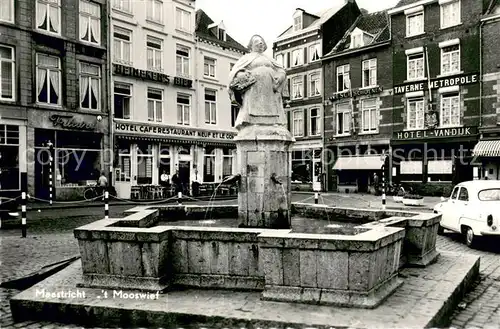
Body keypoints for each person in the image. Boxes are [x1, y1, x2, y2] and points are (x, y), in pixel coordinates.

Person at [228, 34, 288, 130]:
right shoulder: (245, 58)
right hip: (254, 89)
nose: (260, 43)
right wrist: (240, 74)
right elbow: (235, 71)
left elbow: (281, 70)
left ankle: (274, 122)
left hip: (271, 88)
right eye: (257, 41)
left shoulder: (270, 59)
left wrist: (281, 76)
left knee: (273, 108)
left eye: (261, 41)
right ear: (251, 46)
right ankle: (251, 121)